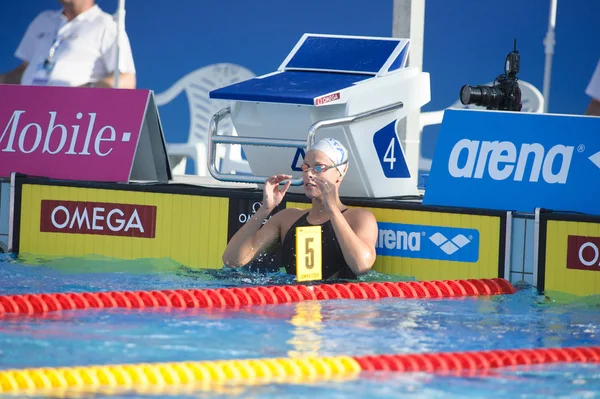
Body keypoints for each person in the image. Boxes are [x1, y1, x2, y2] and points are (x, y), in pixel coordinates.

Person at [222, 138, 379, 280]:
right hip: (294, 304)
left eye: (318, 168)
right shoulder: (287, 219)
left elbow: (361, 266)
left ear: (340, 172)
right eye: (306, 167)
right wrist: (265, 209)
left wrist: (331, 208)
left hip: (337, 307)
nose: (309, 174)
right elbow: (232, 260)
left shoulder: (359, 218)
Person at [0, 0, 136, 89]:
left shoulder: (106, 25)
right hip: (29, 113)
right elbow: (25, 69)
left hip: (73, 121)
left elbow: (126, 80)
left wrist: (89, 89)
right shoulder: (43, 20)